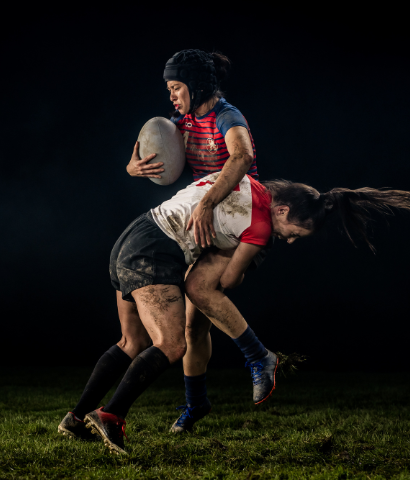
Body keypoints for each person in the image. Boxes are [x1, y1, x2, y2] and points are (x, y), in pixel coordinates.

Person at [57, 171, 410, 455]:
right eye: (295, 232)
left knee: (131, 341)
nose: (291, 241)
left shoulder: (245, 181)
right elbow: (226, 282)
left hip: (134, 234)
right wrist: (243, 253)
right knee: (171, 344)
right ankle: (111, 415)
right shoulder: (263, 227)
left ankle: (75, 418)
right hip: (154, 252)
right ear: (282, 210)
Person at [126, 49, 272, 434]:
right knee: (194, 328)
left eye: (176, 87)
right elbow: (150, 151)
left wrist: (207, 202)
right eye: (169, 89)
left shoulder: (227, 115)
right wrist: (134, 166)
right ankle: (197, 404)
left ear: (197, 85)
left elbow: (242, 156)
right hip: (206, 226)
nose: (172, 96)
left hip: (238, 222)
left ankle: (260, 358)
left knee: (199, 288)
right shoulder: (183, 123)